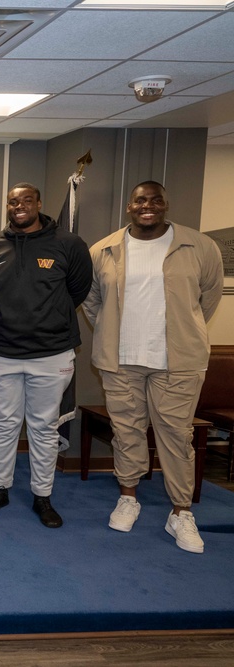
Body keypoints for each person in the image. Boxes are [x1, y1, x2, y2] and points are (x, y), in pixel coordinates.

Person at [83, 181, 223, 554]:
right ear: (129, 206)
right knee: (126, 431)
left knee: (177, 437)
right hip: (120, 360)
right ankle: (128, 497)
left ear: (165, 204)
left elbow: (207, 299)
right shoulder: (104, 249)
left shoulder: (199, 246)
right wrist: (114, 332)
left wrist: (184, 331)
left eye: (155, 200)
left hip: (176, 362)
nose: (148, 206)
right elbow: (93, 302)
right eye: (141, 200)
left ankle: (181, 512)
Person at [0, 183, 92, 528]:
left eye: (27, 200)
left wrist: (47, 317)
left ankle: (43, 495)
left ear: (39, 203)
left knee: (43, 427)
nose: (20, 206)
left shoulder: (67, 244)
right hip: (4, 352)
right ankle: (0, 488)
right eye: (13, 201)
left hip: (52, 353)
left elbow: (78, 288)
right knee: (3, 424)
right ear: (7, 206)